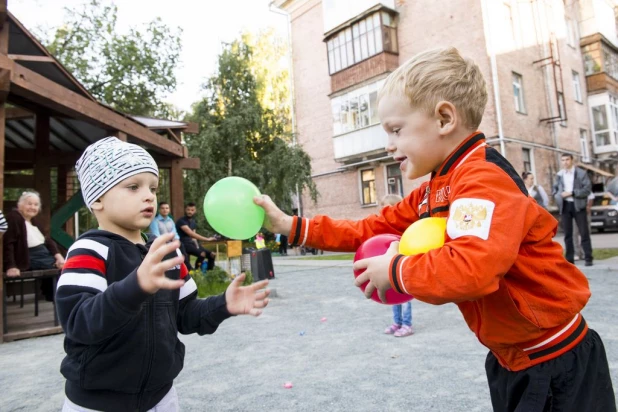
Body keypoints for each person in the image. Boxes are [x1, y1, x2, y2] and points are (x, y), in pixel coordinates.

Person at [254, 47, 615, 411]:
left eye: (396, 129)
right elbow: (370, 228)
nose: (388, 144)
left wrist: (396, 271)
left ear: (444, 118)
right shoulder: (436, 188)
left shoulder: (482, 179)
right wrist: (291, 226)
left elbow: (473, 268)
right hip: (512, 360)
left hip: (556, 364)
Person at [57, 136, 270, 412]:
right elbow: (79, 323)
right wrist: (135, 286)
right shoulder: (89, 250)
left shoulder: (166, 252)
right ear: (97, 198)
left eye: (153, 188)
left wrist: (222, 305)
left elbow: (187, 315)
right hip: (96, 403)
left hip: (162, 398)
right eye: (133, 187)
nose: (149, 195)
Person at [3, 191, 65, 301]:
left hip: (43, 255)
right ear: (20, 205)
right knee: (64, 270)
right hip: (29, 256)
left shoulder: (34, 221)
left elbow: (48, 241)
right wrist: (11, 266)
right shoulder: (14, 218)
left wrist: (59, 257)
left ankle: (56, 298)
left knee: (66, 265)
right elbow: (8, 243)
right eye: (29, 203)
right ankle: (58, 300)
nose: (32, 207)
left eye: (36, 205)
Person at [380, 194, 414, 338]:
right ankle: (397, 323)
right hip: (391, 267)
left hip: (404, 267)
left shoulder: (405, 227)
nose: (383, 212)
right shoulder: (387, 227)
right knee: (394, 297)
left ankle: (407, 324)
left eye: (388, 208)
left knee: (405, 298)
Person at [552, 153, 594, 266]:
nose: (565, 162)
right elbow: (554, 189)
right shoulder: (560, 175)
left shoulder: (581, 173)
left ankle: (588, 258)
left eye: (567, 160)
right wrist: (558, 195)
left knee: (584, 232)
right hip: (565, 206)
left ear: (572, 160)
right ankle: (570, 259)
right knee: (567, 233)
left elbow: (587, 189)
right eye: (563, 160)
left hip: (578, 205)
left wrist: (572, 193)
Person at [175, 203, 216, 271]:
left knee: (212, 254)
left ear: (195, 211)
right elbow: (191, 234)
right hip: (184, 244)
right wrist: (207, 239)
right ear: (185, 210)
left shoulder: (193, 222)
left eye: (192, 210)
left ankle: (209, 274)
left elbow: (194, 237)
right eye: (188, 210)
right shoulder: (181, 221)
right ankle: (196, 273)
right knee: (202, 254)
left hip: (191, 243)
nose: (190, 212)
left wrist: (197, 246)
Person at [573, 192, 595, 261]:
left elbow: (591, 197)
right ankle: (577, 253)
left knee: (585, 233)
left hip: (584, 210)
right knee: (574, 233)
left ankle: (584, 252)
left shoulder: (584, 185)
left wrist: (588, 207)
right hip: (574, 211)